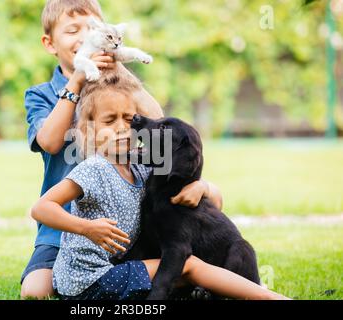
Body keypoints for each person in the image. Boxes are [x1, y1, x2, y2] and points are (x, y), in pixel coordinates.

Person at [21, 0, 223, 299]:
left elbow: (158, 124)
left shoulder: (117, 85)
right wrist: (78, 79)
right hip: (63, 226)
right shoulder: (41, 94)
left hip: (131, 226)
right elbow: (50, 142)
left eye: (90, 28)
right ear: (49, 43)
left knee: (202, 212)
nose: (81, 36)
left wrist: (120, 69)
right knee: (35, 292)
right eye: (71, 30)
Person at [30, 81, 289, 300]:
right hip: (87, 279)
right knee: (188, 265)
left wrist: (201, 185)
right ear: (89, 130)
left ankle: (246, 290)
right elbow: (41, 208)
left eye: (128, 119)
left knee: (178, 266)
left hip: (113, 268)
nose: (122, 127)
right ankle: (268, 296)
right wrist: (87, 228)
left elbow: (192, 176)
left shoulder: (140, 166)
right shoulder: (93, 169)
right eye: (110, 120)